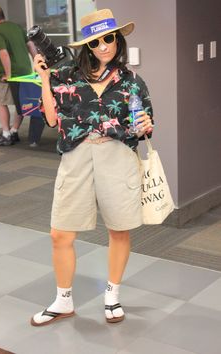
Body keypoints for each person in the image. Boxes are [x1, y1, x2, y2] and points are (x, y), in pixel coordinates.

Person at [31, 8, 154, 326]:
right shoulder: (65, 75)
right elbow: (51, 119)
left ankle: (112, 296)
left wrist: (145, 123)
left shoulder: (132, 81)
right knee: (59, 234)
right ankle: (63, 300)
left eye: (109, 38)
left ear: (118, 39)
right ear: (87, 45)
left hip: (117, 157)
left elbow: (145, 125)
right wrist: (44, 78)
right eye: (96, 41)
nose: (104, 46)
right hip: (76, 158)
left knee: (119, 229)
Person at [0, 5, 37, 146]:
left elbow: (3, 53)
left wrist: (8, 75)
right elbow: (31, 45)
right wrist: (38, 64)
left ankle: (6, 134)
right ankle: (14, 131)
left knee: (2, 102)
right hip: (26, 71)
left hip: (11, 73)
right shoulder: (16, 27)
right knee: (20, 102)